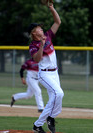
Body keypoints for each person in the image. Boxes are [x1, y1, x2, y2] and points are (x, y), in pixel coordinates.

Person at [28, 3, 64, 133]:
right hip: (45, 74)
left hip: (55, 73)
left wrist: (51, 8)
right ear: (33, 32)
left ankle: (45, 121)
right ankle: (42, 122)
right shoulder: (33, 45)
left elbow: (57, 22)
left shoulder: (48, 36)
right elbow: (37, 59)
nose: (41, 29)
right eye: (38, 28)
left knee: (56, 98)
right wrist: (41, 46)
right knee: (59, 93)